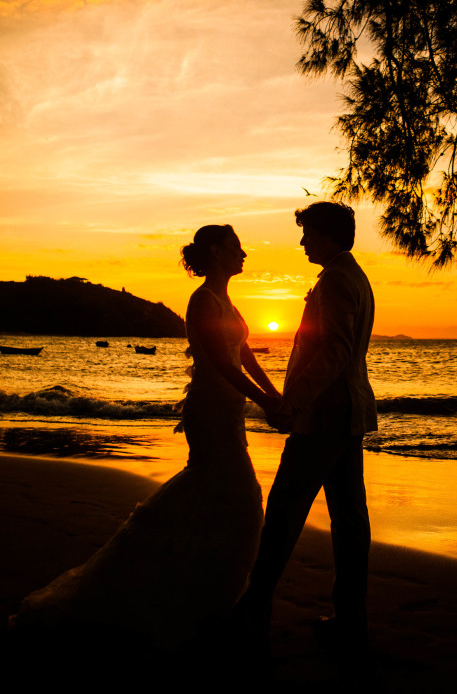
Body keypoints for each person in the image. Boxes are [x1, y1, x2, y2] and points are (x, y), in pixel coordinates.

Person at [11, 224, 279, 652]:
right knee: (244, 502)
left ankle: (198, 595)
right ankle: (196, 599)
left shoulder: (227, 301)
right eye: (235, 247)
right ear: (215, 252)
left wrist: (274, 393)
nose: (244, 253)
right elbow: (220, 365)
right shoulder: (201, 301)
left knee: (218, 499)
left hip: (231, 413)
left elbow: (244, 355)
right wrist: (265, 403)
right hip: (209, 413)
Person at [239, 201, 376, 650]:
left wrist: (291, 402)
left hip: (324, 418)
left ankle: (254, 608)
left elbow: (334, 351)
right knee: (349, 518)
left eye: (309, 233)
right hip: (347, 414)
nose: (303, 242)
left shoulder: (336, 279)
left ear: (331, 236)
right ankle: (350, 616)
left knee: (284, 512)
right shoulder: (353, 275)